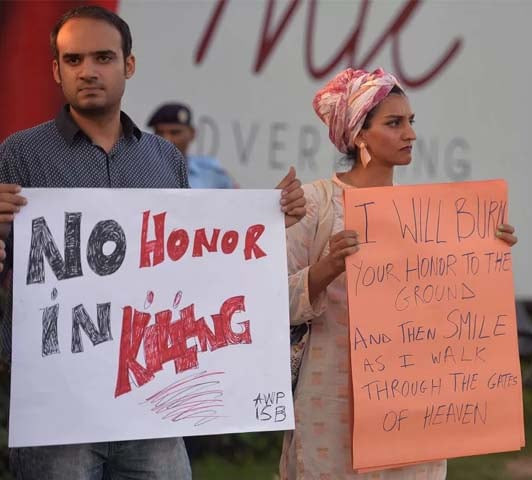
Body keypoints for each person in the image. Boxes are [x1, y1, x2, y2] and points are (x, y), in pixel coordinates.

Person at [0, 5, 305, 479]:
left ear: (129, 65)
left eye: (103, 57)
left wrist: (264, 225)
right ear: (55, 71)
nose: (88, 72)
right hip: (58, 402)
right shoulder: (19, 155)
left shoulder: (163, 158)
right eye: (74, 60)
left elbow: (187, 264)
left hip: (152, 394)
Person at [281, 68, 518, 479]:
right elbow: (273, 302)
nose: (410, 134)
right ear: (359, 135)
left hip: (413, 400)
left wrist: (487, 250)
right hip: (332, 400)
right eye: (394, 123)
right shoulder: (317, 205)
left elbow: (448, 306)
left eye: (411, 122)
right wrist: (325, 269)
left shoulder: (430, 216)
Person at [147, 102, 238, 188]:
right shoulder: (142, 172)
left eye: (175, 132)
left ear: (192, 133)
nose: (166, 139)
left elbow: (236, 202)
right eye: (159, 133)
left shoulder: (212, 175)